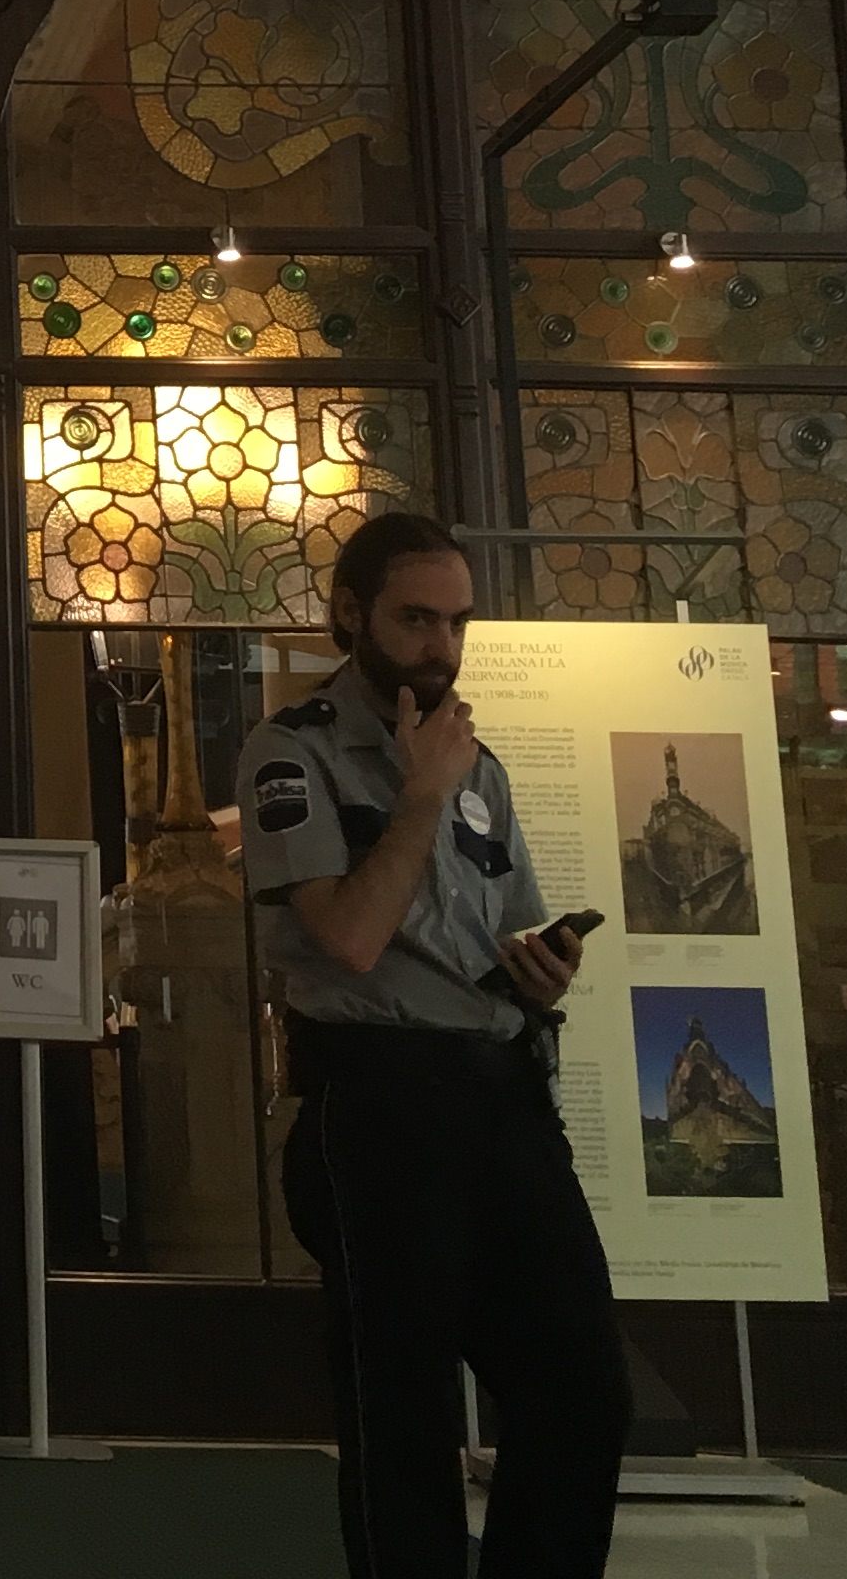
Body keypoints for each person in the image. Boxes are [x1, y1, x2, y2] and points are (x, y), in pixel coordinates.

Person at [243, 512, 626, 1577]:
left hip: (502, 1094)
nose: (440, 646)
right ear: (351, 613)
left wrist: (541, 970)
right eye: (416, 619)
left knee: (583, 1391)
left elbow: (509, 919)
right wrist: (418, 796)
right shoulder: (293, 752)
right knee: (402, 1410)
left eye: (457, 622)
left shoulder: (479, 765)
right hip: (380, 1105)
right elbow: (349, 937)